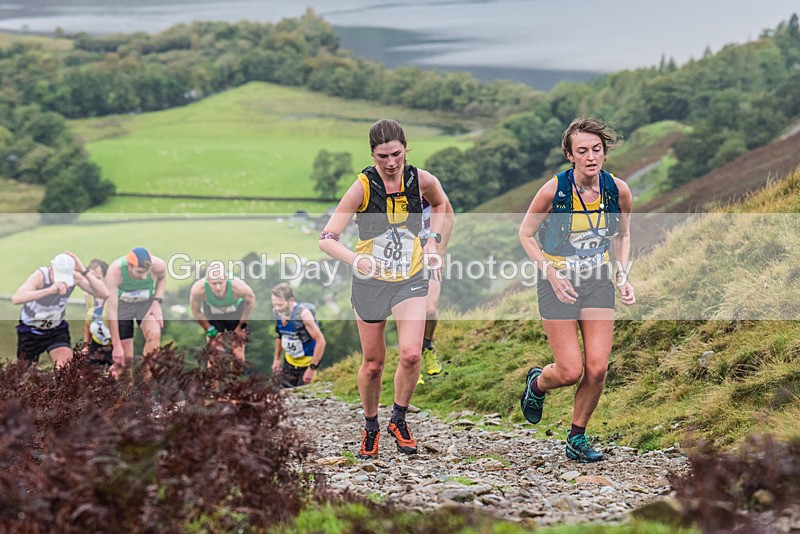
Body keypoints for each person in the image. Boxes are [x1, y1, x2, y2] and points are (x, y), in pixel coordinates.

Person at [318, 118, 447, 460]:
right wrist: (354, 260)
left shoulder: (421, 180)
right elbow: (327, 239)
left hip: (410, 277)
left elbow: (441, 205)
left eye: (396, 154)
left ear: (407, 149)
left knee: (411, 353)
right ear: (372, 154)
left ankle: (399, 419)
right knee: (374, 363)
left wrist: (433, 244)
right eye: (382, 156)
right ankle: (371, 425)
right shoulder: (362, 186)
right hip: (370, 282)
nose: (390, 163)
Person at [518, 117, 635, 463]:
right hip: (558, 283)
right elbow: (525, 234)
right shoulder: (553, 191)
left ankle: (576, 437)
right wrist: (551, 273)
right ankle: (538, 383)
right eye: (582, 151)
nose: (591, 157)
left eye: (597, 149)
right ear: (569, 155)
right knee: (570, 371)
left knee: (597, 369)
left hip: (597, 280)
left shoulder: (618, 190)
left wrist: (623, 275)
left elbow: (622, 235)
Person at [12, 251, 108, 368]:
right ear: (51, 269)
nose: (63, 282)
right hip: (30, 331)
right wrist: (50, 291)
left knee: (66, 371)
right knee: (25, 375)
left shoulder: (75, 277)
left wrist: (84, 270)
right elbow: (16, 298)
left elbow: (104, 294)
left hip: (56, 330)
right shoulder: (40, 276)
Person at [105, 247, 167, 380]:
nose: (144, 276)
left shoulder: (158, 265)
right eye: (139, 272)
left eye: (147, 272)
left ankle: (146, 387)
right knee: (125, 362)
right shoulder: (115, 271)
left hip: (145, 304)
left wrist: (156, 301)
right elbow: (112, 310)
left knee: (154, 334)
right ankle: (124, 397)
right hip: (122, 308)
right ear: (129, 266)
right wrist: (116, 346)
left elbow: (162, 278)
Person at [417, 185, 455, 385]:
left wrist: (440, 250)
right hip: (402, 257)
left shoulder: (424, 184)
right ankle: (411, 367)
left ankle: (427, 346)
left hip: (429, 254)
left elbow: (448, 214)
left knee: (430, 309)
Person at [189, 261, 255, 364]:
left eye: (221, 283)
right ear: (207, 281)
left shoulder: (239, 287)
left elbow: (250, 301)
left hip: (235, 313)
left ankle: (234, 380)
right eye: (214, 284)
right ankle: (214, 380)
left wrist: (240, 326)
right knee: (215, 353)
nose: (218, 287)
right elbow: (195, 310)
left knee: (238, 356)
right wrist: (209, 328)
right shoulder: (198, 290)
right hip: (213, 313)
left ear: (226, 279)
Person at [271, 283, 326, 388]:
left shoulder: (303, 315)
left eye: (280, 305)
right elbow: (279, 335)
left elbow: (321, 341)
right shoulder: (277, 313)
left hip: (306, 365)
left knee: (302, 398)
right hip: (289, 363)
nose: (277, 308)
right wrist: (276, 359)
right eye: (275, 304)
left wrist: (311, 369)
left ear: (291, 300)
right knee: (282, 397)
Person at [81, 258, 113, 368]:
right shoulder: (89, 296)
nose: (95, 283)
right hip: (96, 343)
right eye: (92, 279)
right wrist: (86, 346)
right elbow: (88, 321)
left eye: (98, 279)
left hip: (114, 345)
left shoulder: (115, 296)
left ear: (107, 277)